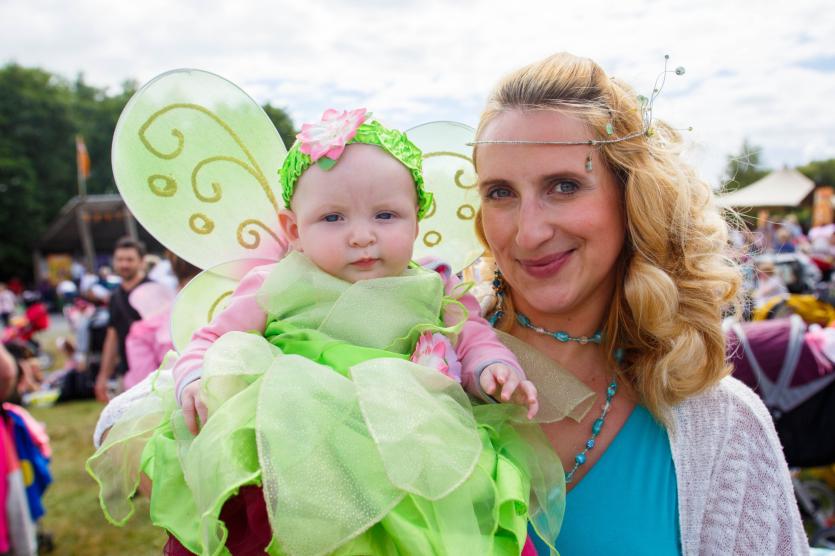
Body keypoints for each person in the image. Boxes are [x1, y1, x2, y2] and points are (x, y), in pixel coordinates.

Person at [89, 111, 563, 556]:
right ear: (293, 229)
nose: (361, 236)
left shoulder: (435, 283)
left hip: (415, 450)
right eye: (333, 218)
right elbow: (211, 339)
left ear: (418, 219)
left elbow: (473, 335)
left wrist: (491, 368)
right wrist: (195, 378)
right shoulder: (276, 283)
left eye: (385, 215)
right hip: (299, 453)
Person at [471, 52, 808, 554]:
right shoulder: (418, 364)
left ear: (633, 197)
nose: (529, 231)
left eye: (564, 186)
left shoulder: (720, 429)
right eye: (500, 192)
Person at [93, 237, 149, 402]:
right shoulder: (115, 297)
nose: (124, 264)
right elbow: (112, 337)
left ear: (141, 262)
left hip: (153, 374)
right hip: (125, 373)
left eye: (130, 260)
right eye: (120, 259)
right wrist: (103, 376)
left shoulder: (153, 291)